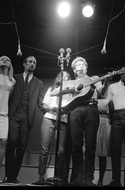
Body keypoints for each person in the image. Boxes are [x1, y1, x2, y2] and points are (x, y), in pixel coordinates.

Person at [51, 56, 111, 186]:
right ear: (74, 69)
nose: (81, 66)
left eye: (83, 64)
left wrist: (106, 82)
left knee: (90, 145)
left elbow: (101, 93)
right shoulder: (71, 82)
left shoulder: (94, 79)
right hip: (75, 111)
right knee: (76, 146)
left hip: (91, 108)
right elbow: (54, 92)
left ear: (87, 67)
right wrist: (68, 90)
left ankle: (88, 178)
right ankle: (77, 177)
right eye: (78, 65)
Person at [4, 55, 45, 183]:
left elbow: (41, 102)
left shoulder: (39, 83)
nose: (32, 64)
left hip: (27, 118)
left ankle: (13, 176)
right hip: (14, 115)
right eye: (30, 62)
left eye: (34, 62)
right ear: (24, 64)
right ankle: (7, 175)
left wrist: (51, 109)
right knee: (11, 143)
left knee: (22, 147)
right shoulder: (15, 77)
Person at [32, 71, 71, 185]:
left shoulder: (70, 92)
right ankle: (41, 177)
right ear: (58, 77)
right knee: (45, 149)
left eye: (67, 77)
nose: (65, 78)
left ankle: (58, 176)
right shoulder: (51, 89)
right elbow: (44, 105)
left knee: (61, 151)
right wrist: (52, 109)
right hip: (49, 118)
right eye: (63, 76)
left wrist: (63, 110)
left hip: (62, 120)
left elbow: (70, 107)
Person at [95, 98, 114, 187]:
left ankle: (100, 180)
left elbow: (112, 114)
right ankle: (87, 178)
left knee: (102, 154)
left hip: (105, 123)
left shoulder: (108, 100)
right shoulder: (91, 99)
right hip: (93, 122)